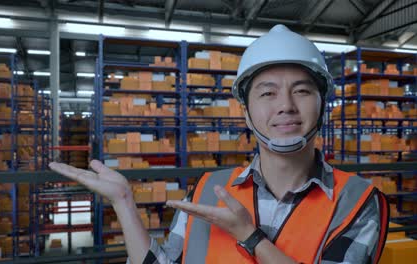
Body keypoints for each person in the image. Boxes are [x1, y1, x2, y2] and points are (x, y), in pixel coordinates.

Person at [49, 24, 389, 264]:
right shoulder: (207, 189)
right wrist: (123, 202)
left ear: (322, 104)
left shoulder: (356, 201)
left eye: (301, 90)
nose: (285, 104)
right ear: (245, 112)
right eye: (267, 93)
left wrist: (249, 235)